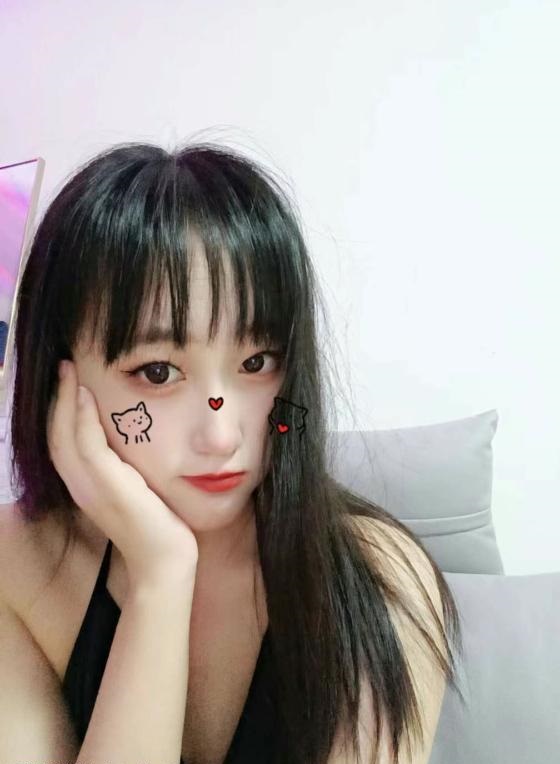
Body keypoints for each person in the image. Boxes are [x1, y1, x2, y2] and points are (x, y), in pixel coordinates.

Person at [0, 140, 465, 764]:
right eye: (158, 372)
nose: (222, 437)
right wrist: (160, 578)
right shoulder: (18, 566)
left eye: (256, 362)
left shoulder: (374, 582)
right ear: (62, 379)